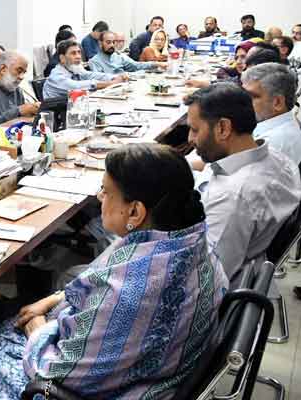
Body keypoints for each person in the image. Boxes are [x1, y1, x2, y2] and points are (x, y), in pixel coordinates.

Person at [0, 143, 229, 399]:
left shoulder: (127, 291)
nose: (98, 196)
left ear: (135, 212)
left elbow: (58, 373)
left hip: (104, 388)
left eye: (105, 191)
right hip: (164, 366)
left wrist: (38, 330)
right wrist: (55, 299)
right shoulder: (191, 242)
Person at [185, 83, 301, 286]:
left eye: (195, 130)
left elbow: (206, 282)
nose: (190, 138)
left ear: (223, 128)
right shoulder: (277, 159)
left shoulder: (234, 198)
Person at [242, 62, 301, 164]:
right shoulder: (277, 124)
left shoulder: (273, 144)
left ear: (277, 103)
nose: (242, 101)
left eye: (251, 96)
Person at [43, 40, 126, 99]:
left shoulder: (73, 69)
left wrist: (115, 77)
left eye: (79, 52)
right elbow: (75, 87)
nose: (78, 56)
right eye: (73, 53)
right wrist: (110, 83)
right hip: (56, 118)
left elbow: (91, 75)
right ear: (62, 58)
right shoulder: (56, 75)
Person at [90, 31, 166, 74]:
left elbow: (136, 65)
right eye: (108, 42)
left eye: (113, 42)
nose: (112, 45)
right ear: (100, 43)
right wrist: (125, 75)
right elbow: (100, 79)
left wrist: (156, 64)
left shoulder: (118, 56)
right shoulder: (95, 61)